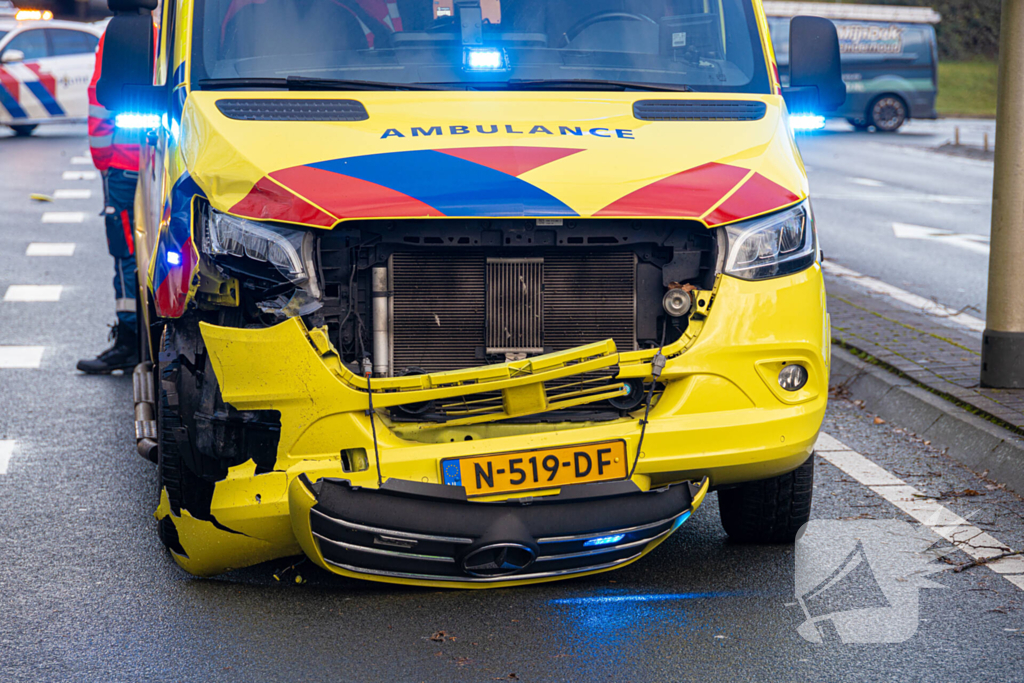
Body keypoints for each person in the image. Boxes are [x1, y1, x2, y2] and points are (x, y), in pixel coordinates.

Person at [77, 27, 143, 374]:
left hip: (124, 163)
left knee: (125, 251)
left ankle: (129, 340)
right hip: (168, 159)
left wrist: (104, 161)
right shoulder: (184, 24)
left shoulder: (120, 31)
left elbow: (100, 102)